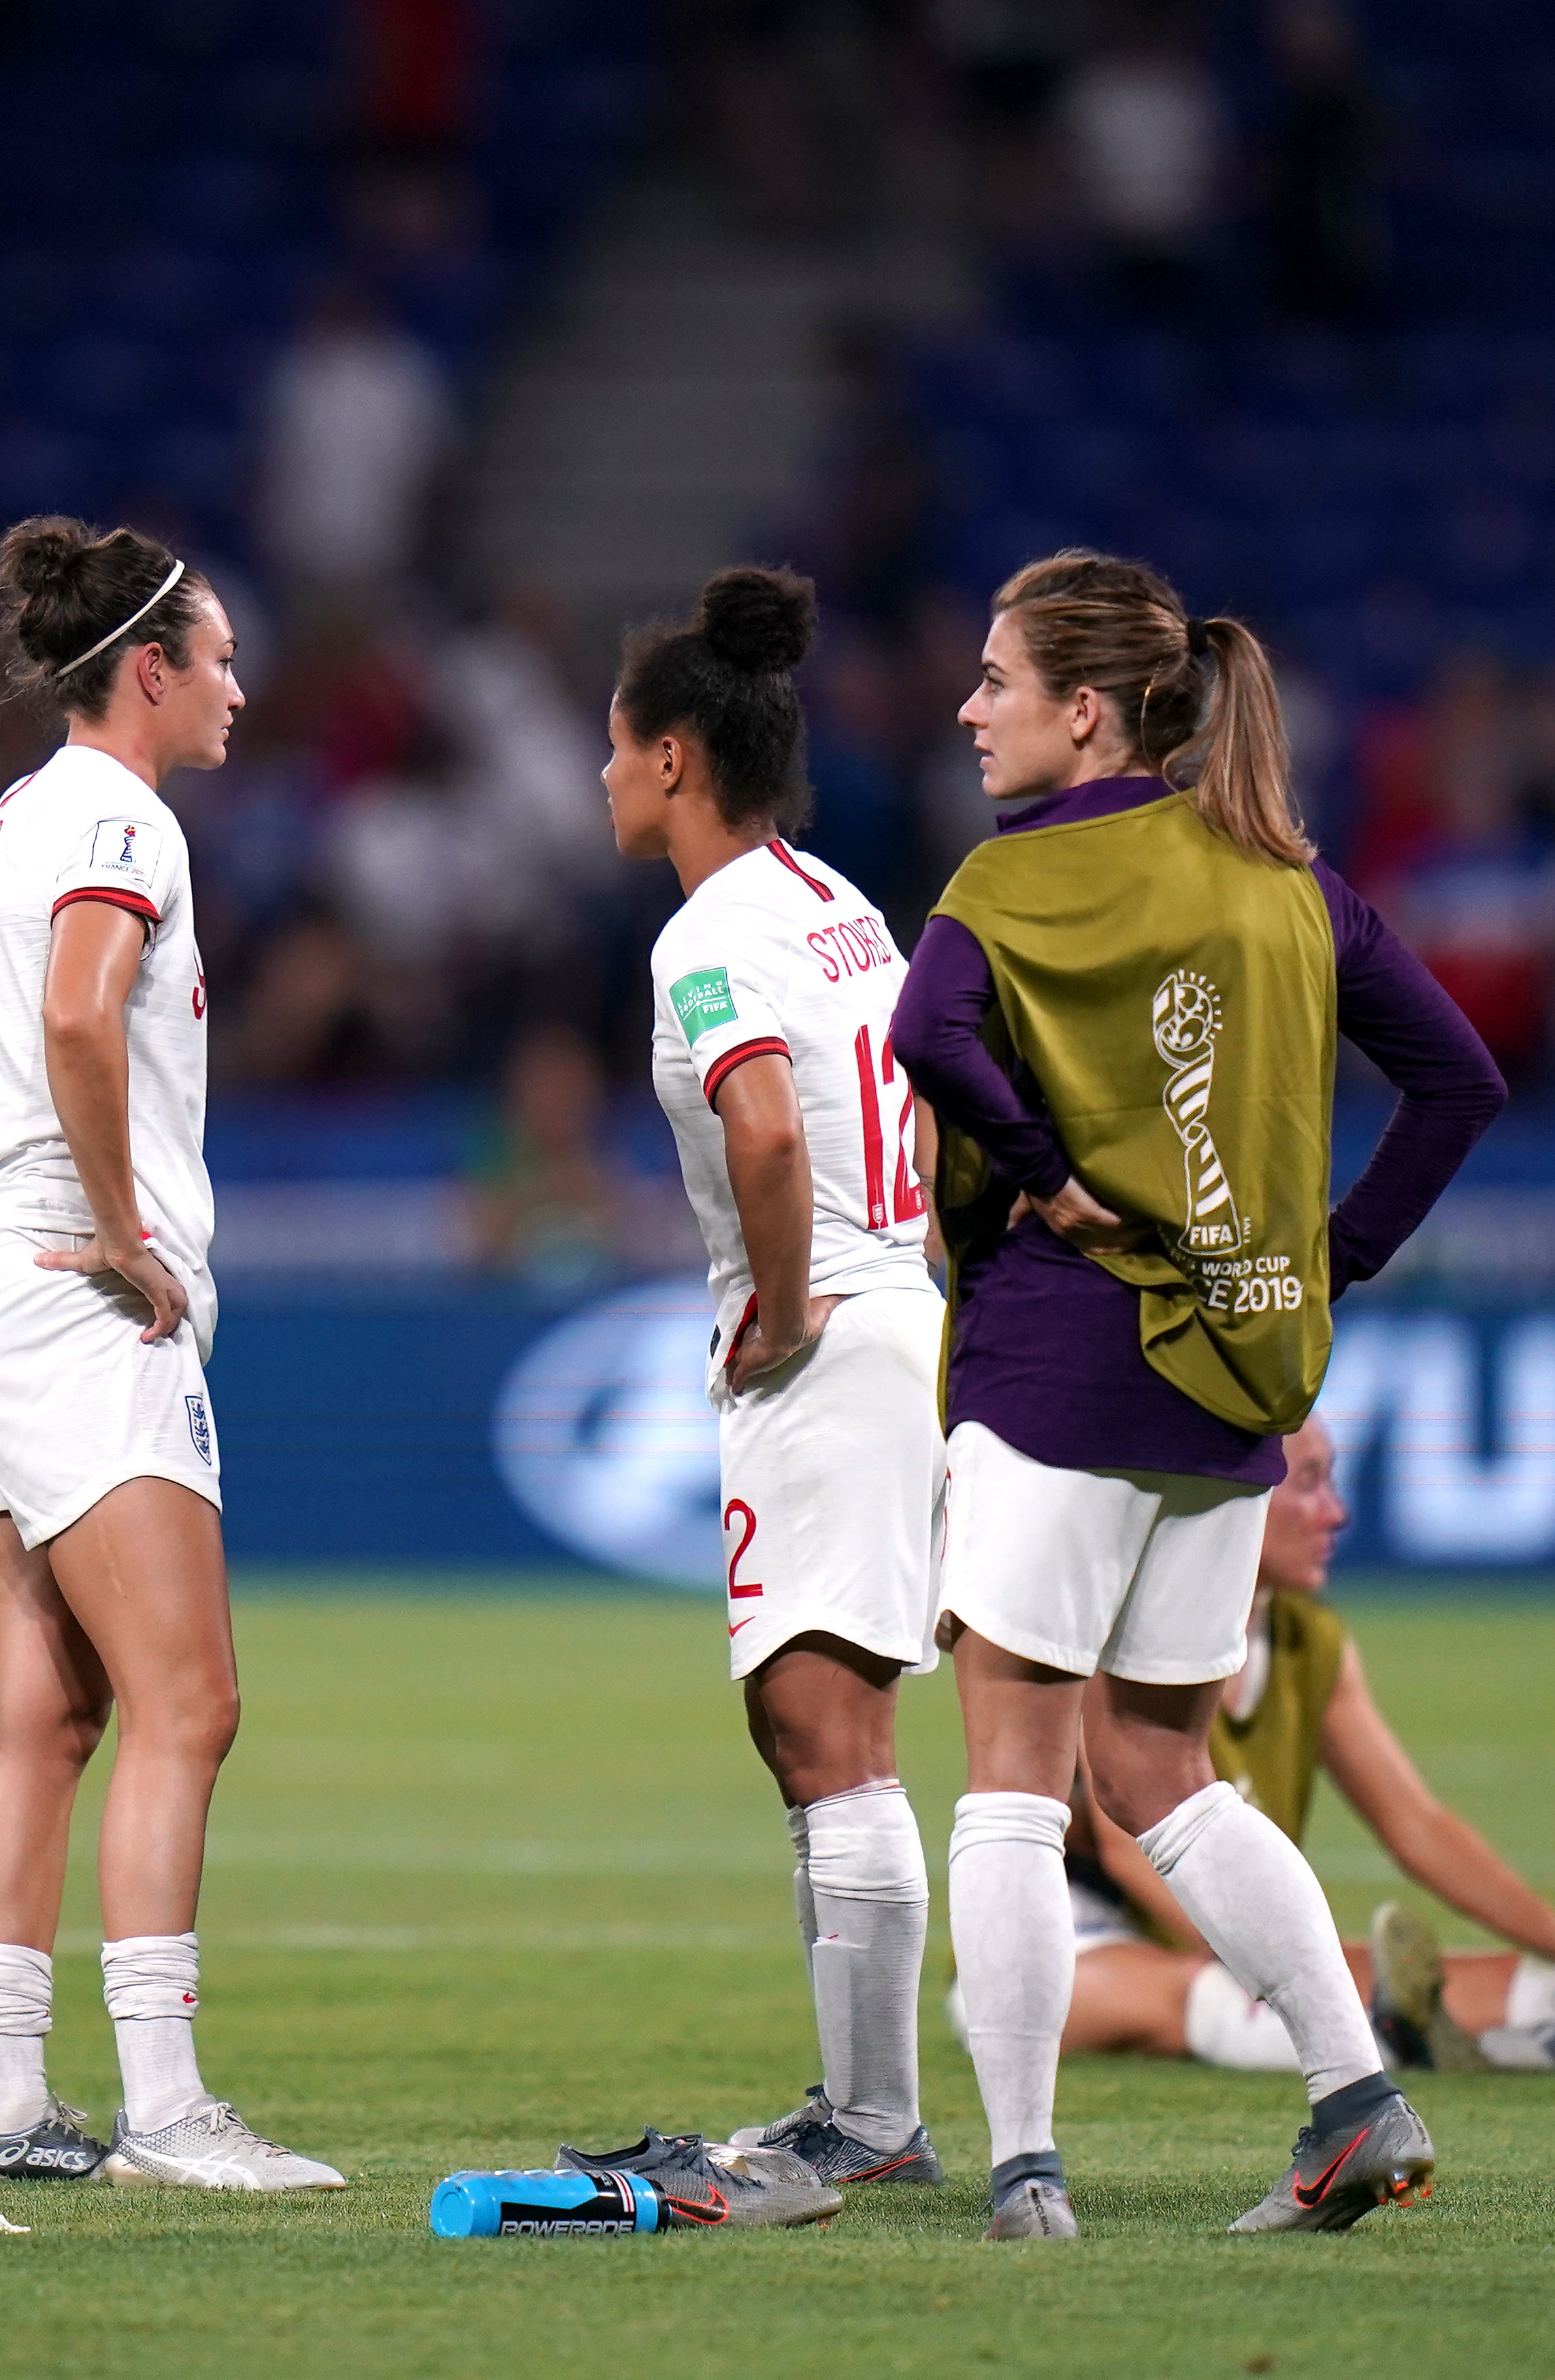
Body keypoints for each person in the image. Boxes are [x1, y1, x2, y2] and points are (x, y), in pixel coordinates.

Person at [889, 549, 1504, 2242]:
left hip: (1061, 1357)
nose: (968, 707)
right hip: (1231, 1386)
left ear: (1080, 710)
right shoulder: (1288, 880)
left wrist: (1040, 1170)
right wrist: (1335, 1256)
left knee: (1015, 1776)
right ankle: (1352, 2095)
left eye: (996, 681)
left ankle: (1022, 2165)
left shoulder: (1014, 878)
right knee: (1161, 1769)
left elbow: (921, 1030)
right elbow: (1460, 1078)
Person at [0, 516, 340, 2193]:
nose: (234, 684)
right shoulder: (117, 816)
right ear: (146, 669)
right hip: (73, 1293)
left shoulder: (10, 819)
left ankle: (1, 2097)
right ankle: (163, 2108)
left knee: (44, 1712)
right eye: (215, 657)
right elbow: (78, 1012)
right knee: (186, 1698)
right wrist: (115, 1221)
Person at [593, 567, 950, 2189]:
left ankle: (873, 2119)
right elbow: (932, 1095)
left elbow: (757, 1126)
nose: (599, 775)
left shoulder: (708, 932)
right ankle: (861, 2100)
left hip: (833, 1338)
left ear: (674, 757)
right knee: (820, 1721)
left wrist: (794, 1304)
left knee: (824, 1726)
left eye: (611, 746)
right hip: (902, 1311)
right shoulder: (841, 900)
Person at [1033, 1421, 1555, 2071]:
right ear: (1243, 1492)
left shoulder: (1307, 1641)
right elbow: (1132, 1850)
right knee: (1229, 1997)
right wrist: (1284, 1971)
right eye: (1312, 1484)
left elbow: (1415, 1824)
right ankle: (1393, 2038)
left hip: (1226, 1942)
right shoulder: (1131, 1619)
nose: (1337, 1513)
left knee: (1497, 1981)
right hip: (1085, 1943)